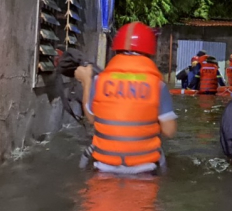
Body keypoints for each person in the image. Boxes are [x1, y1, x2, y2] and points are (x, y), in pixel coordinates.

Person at [75, 22, 177, 174]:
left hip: (103, 167)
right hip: (145, 169)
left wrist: (86, 81)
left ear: (116, 50)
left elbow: (91, 118)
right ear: (150, 53)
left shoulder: (99, 80)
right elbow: (169, 130)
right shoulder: (158, 85)